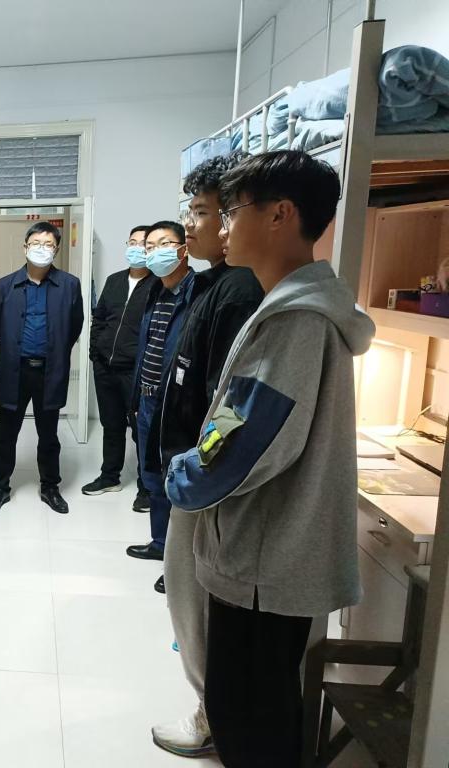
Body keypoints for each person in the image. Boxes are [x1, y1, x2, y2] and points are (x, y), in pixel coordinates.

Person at [166, 150, 375, 767]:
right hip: (272, 553)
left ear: (281, 215)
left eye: (232, 211)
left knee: (247, 716)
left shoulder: (293, 320)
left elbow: (243, 439)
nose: (223, 226)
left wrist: (184, 478)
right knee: (263, 706)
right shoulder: (296, 304)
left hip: (263, 556)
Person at [150, 154, 263, 758]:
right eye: (188, 211)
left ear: (237, 217)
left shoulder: (240, 291)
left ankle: (210, 712)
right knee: (187, 589)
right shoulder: (209, 282)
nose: (188, 225)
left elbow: (231, 403)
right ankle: (211, 703)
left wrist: (196, 469)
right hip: (189, 466)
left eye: (201, 212)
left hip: (204, 474)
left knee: (192, 592)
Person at [0, 221, 84, 516]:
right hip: (16, 371)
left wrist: (56, 349)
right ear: (25, 247)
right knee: (6, 434)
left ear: (57, 249)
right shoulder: (5, 285)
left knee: (49, 435)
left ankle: (50, 487)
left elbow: (74, 325)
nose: (42, 249)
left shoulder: (69, 285)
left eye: (48, 244)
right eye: (36, 243)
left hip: (50, 372)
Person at [125, 221, 194, 563]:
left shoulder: (197, 294)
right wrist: (138, 397)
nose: (154, 253)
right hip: (147, 398)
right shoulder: (155, 291)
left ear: (184, 249)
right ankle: (160, 543)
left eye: (164, 244)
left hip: (177, 404)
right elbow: (147, 347)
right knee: (151, 474)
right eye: (149, 247)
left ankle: (180, 561)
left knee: (177, 477)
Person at [84, 225, 156, 509]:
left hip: (135, 372)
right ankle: (109, 476)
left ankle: (147, 487)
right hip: (105, 367)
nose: (137, 248)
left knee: (141, 429)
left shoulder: (158, 285)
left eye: (144, 243)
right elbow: (99, 318)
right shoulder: (114, 280)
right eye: (133, 242)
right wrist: (95, 353)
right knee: (111, 425)